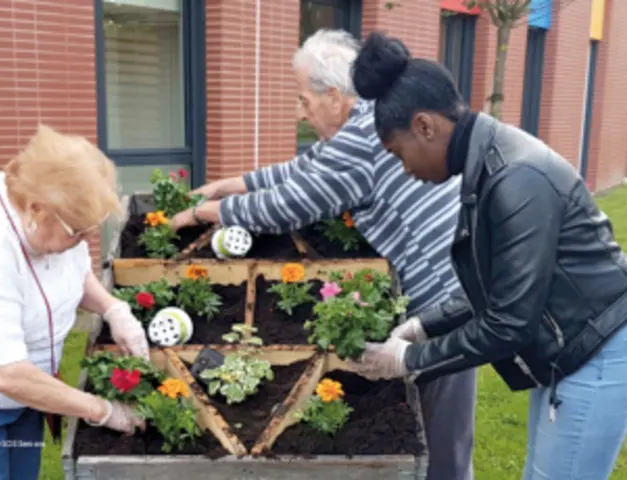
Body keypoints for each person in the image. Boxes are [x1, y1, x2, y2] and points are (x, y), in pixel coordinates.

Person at [346, 31, 627, 479]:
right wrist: (425, 325)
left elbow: (510, 323)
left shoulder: (515, 177)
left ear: (425, 126)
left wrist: (408, 359)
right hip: (575, 347)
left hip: (608, 348)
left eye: (398, 153)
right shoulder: (486, 164)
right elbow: (502, 288)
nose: (404, 169)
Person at [170, 29, 476, 480]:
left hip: (442, 295)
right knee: (433, 429)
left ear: (334, 97)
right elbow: (305, 169)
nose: (301, 112)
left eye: (304, 101)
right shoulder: (367, 119)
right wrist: (231, 183)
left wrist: (205, 212)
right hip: (448, 285)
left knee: (439, 438)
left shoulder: (361, 138)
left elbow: (288, 205)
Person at [0, 125, 150, 479]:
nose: (83, 243)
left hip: (29, 394)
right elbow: (4, 372)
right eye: (77, 233)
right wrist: (102, 410)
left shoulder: (50, 213)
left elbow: (71, 272)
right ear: (35, 209)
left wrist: (112, 308)